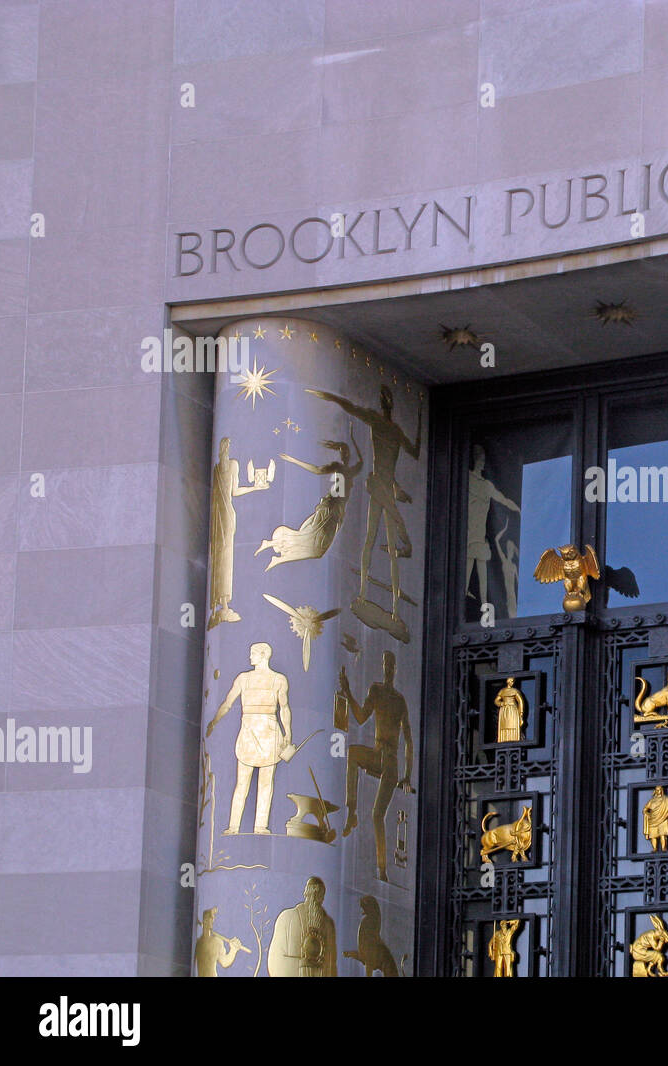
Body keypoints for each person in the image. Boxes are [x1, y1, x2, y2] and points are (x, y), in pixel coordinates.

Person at [306, 384, 421, 623]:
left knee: (378, 542)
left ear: (385, 404)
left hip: (383, 485)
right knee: (375, 541)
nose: (385, 403)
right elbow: (415, 451)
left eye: (385, 399)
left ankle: (383, 604)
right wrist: (331, 397)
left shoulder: (382, 424)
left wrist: (330, 395)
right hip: (383, 484)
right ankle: (374, 600)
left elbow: (416, 451)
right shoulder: (391, 428)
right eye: (385, 399)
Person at [340, 652, 415, 881]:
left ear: (395, 670)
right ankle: (351, 811)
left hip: (391, 760)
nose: (389, 669)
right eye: (386, 665)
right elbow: (361, 717)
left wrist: (407, 776)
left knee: (377, 815)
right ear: (383, 668)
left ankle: (382, 869)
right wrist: (348, 693)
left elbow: (409, 739)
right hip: (377, 753)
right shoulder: (376, 690)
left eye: (392, 666)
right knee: (352, 753)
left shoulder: (399, 700)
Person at [206, 642, 292, 835]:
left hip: (270, 731)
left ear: (264, 655)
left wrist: (288, 733)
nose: (250, 656)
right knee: (242, 782)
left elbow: (284, 708)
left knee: (265, 783)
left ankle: (260, 826)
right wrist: (214, 721)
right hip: (249, 731)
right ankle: (233, 826)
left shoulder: (278, 680)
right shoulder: (243, 678)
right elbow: (228, 703)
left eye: (253, 653)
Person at [256, 434, 362, 569]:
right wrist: (294, 461)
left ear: (348, 454)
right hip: (330, 508)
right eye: (342, 452)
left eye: (345, 452)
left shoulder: (351, 470)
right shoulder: (338, 467)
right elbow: (317, 470)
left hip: (337, 510)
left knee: (315, 543)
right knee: (313, 541)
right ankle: (273, 549)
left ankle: (272, 548)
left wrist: (353, 437)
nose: (344, 455)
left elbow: (361, 461)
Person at [208, 437, 267, 628]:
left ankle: (220, 603)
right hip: (225, 515)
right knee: (224, 558)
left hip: (218, 516)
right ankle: (223, 603)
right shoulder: (231, 465)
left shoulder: (218, 468)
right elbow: (235, 492)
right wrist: (255, 488)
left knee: (220, 558)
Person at [466, 445, 520, 607]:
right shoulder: (467, 479)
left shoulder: (486, 485)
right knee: (467, 573)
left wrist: (517, 507)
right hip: (470, 535)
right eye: (481, 460)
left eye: (484, 460)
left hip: (480, 535)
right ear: (475, 460)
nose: (483, 464)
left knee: (484, 575)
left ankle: (484, 603)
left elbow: (502, 499)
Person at [269, 877, 337, 977]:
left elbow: (332, 964)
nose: (321, 898)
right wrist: (301, 963)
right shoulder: (288, 918)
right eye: (316, 893)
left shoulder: (328, 925)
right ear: (309, 892)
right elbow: (275, 960)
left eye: (322, 894)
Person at [194, 906, 245, 977]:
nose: (212, 920)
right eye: (209, 918)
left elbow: (224, 962)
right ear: (204, 920)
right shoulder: (197, 943)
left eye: (212, 918)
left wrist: (233, 950)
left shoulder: (217, 942)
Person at [642, 785, 668, 851]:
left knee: (663, 834)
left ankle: (664, 848)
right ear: (655, 791)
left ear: (662, 790)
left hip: (663, 818)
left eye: (660, 790)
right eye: (657, 790)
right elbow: (645, 809)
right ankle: (654, 848)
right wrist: (647, 814)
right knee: (653, 836)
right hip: (653, 819)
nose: (658, 791)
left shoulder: (666, 799)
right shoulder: (652, 801)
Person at [494, 677, 526, 743]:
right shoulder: (503, 691)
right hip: (504, 711)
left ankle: (514, 739)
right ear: (508, 682)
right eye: (511, 681)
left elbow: (520, 701)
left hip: (513, 710)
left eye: (513, 681)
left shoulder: (515, 691)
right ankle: (503, 739)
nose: (512, 683)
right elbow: (496, 701)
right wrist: (502, 703)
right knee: (504, 726)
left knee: (513, 725)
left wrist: (521, 713)